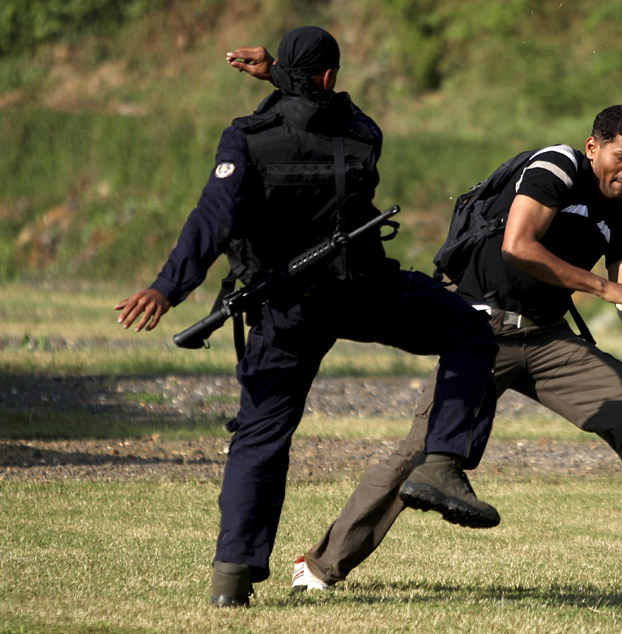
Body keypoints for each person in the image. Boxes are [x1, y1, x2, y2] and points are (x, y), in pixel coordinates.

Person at [284, 104, 622, 602]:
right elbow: (518, 246)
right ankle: (319, 566)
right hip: (478, 332)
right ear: (594, 145)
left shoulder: (620, 218)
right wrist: (601, 287)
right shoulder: (556, 166)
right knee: (422, 454)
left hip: (548, 339)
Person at [115, 26, 504, 608]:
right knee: (471, 331)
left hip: (285, 307)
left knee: (261, 435)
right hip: (363, 292)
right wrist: (284, 73)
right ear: (329, 77)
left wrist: (168, 287)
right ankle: (442, 462)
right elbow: (328, 113)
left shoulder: (246, 138)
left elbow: (212, 218)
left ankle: (232, 579)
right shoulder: (364, 135)